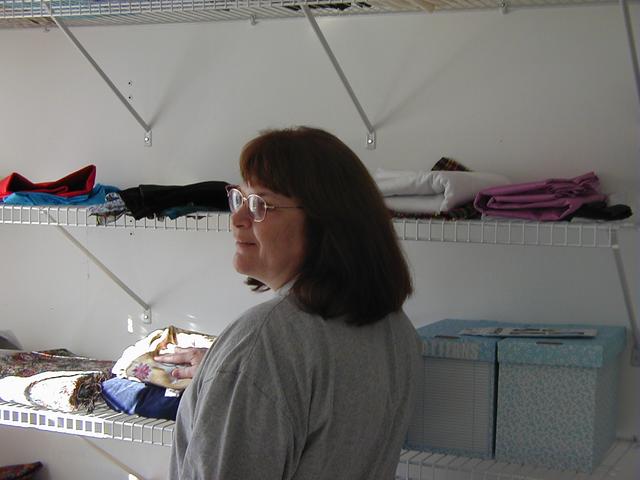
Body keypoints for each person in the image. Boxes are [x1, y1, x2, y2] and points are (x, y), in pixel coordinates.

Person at [163, 126, 421, 479]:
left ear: (324, 224)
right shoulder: (396, 329)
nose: (237, 219)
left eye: (261, 205)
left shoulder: (264, 342)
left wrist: (241, 368)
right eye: (240, 198)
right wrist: (222, 371)